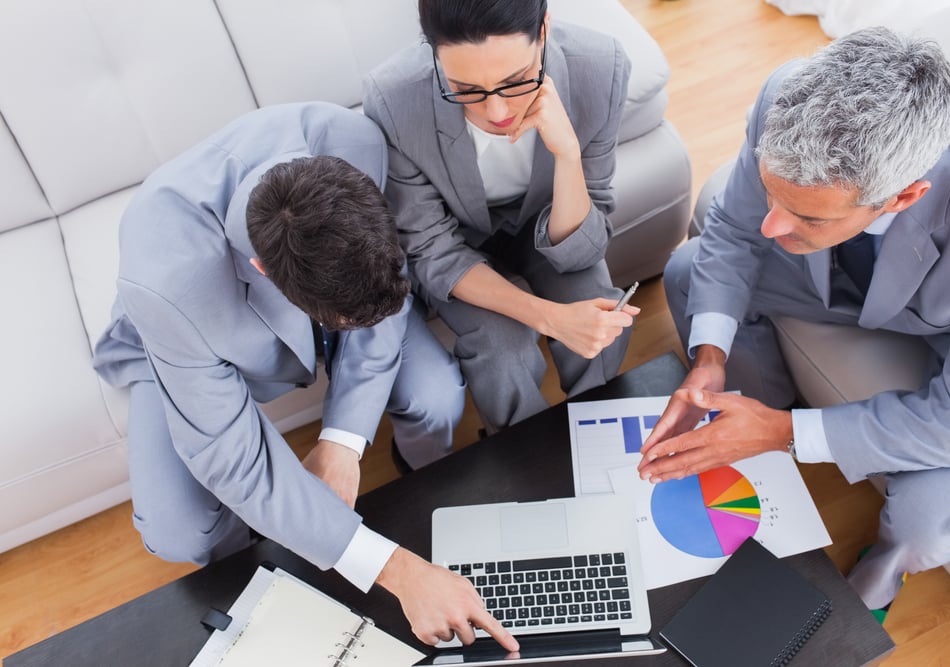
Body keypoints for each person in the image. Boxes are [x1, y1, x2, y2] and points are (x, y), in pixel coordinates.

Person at [92, 101, 517, 650]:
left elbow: (383, 300)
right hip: (185, 341)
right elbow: (236, 461)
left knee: (436, 396)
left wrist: (342, 442)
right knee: (177, 528)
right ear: (264, 274)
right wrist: (399, 573)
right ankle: (265, 564)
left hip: (335, 288)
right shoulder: (167, 280)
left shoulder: (355, 141)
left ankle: (401, 489)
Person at [640, 27, 950, 614]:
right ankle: (767, 408)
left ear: (903, 197)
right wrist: (710, 362)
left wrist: (786, 433)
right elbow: (733, 230)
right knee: (686, 271)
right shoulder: (787, 94)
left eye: (804, 215)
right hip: (859, 280)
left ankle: (881, 575)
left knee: (925, 526)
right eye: (772, 196)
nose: (771, 227)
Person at [362, 0, 639, 433]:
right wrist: (549, 318)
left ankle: (600, 440)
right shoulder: (393, 101)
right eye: (467, 88)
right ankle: (521, 456)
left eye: (515, 81)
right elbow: (434, 252)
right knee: (501, 348)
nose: (496, 112)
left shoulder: (601, 68)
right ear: (433, 51)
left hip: (545, 223)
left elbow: (588, 243)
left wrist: (567, 155)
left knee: (596, 305)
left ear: (544, 30)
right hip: (457, 241)